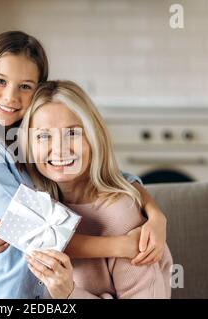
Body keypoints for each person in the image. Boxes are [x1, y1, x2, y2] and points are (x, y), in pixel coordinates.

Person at [0, 31, 167, 298]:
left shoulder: (26, 149)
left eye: (25, 86)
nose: (10, 97)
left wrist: (156, 214)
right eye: (0, 81)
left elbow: (110, 174)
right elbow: (39, 235)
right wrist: (121, 246)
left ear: (38, 90)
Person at [21, 80, 173, 298]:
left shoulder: (123, 217)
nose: (59, 149)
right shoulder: (32, 206)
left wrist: (69, 294)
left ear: (93, 138)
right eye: (44, 136)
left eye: (72, 133)